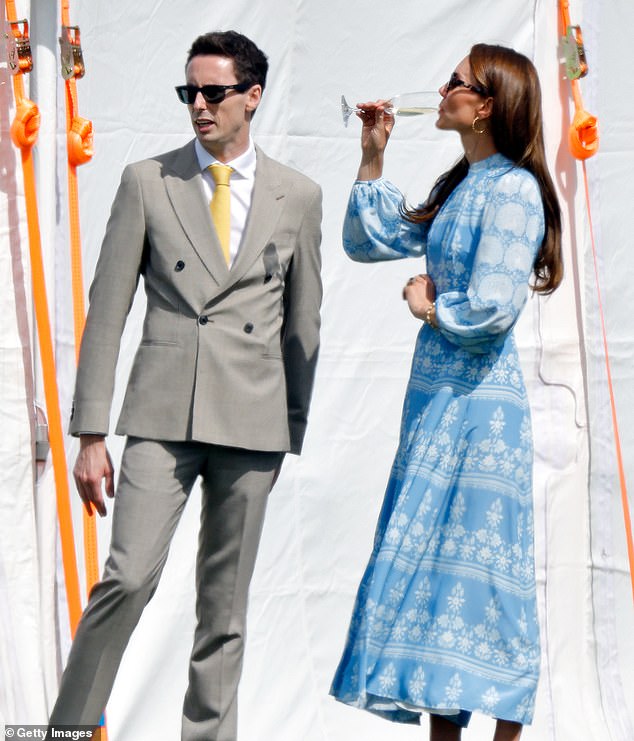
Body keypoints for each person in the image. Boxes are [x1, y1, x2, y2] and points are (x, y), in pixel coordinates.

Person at [48, 30, 322, 741]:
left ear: (251, 98)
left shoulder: (298, 195)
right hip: (161, 416)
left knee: (224, 612)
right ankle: (67, 731)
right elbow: (106, 311)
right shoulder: (149, 180)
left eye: (213, 92)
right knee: (127, 579)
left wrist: (290, 425)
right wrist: (89, 433)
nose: (198, 105)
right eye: (188, 92)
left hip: (254, 423)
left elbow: (304, 323)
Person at [330, 44, 562, 741]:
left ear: (485, 104)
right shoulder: (465, 184)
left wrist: (431, 307)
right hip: (436, 405)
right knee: (432, 578)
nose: (441, 89)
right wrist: (373, 154)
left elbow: (495, 306)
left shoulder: (516, 190)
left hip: (482, 414)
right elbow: (373, 240)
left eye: (454, 82)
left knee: (484, 587)